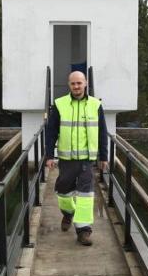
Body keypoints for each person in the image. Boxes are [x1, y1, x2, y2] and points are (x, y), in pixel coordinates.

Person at [44, 70, 108, 246]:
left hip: (87, 160)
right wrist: (49, 155)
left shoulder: (95, 105)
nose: (76, 86)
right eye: (73, 83)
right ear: (69, 85)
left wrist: (104, 156)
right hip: (66, 160)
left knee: (85, 194)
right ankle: (68, 213)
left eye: (79, 83)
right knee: (63, 191)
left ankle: (83, 231)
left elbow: (102, 132)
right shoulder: (59, 104)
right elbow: (51, 132)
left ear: (85, 83)